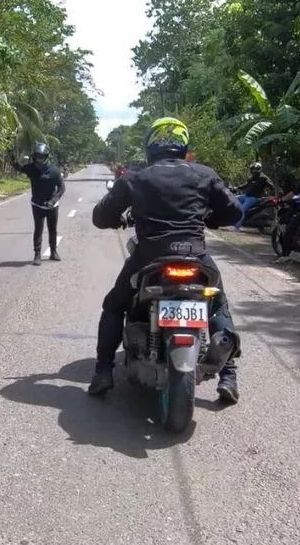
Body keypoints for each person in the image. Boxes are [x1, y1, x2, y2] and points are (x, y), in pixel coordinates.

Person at [89, 117, 244, 404]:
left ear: (150, 146)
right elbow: (234, 213)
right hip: (195, 256)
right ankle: (229, 376)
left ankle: (102, 372)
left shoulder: (135, 176)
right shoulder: (204, 174)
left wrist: (118, 218)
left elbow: (101, 217)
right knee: (218, 303)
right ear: (184, 145)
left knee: (114, 304)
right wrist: (210, 218)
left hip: (150, 256)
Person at [9, 142, 66, 265]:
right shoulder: (31, 168)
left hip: (52, 206)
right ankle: (37, 254)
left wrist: (53, 200)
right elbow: (18, 167)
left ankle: (53, 251)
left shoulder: (55, 171)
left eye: (41, 157)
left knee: (53, 230)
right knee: (38, 229)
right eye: (37, 157)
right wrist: (11, 154)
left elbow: (61, 188)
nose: (39, 160)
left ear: (46, 156)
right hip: (37, 204)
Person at [233, 162, 276, 230]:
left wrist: (273, 192)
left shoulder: (263, 178)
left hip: (254, 198)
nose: (253, 171)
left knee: (242, 210)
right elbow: (246, 184)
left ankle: (236, 227)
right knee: (232, 199)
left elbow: (272, 185)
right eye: (252, 169)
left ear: (258, 169)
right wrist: (237, 188)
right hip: (246, 196)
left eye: (254, 169)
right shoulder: (253, 177)